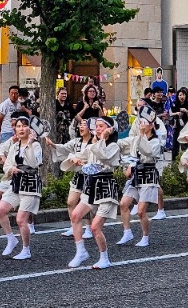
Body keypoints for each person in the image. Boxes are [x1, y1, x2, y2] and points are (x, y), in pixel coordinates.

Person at [62, 115, 121, 269]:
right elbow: (80, 155)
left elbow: (105, 156)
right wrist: (74, 160)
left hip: (106, 190)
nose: (98, 129)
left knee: (95, 227)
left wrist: (100, 139)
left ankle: (104, 257)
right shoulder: (94, 144)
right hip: (91, 188)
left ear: (109, 129)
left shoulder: (113, 146)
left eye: (102, 126)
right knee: (75, 215)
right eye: (97, 126)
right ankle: (80, 251)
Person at [0, 114, 42, 259]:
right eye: (19, 126)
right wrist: (11, 169)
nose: (21, 129)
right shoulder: (14, 146)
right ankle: (11, 238)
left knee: (21, 219)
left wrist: (30, 144)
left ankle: (26, 249)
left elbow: (35, 163)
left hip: (30, 183)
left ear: (30, 129)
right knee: (0, 209)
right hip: (16, 182)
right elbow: (7, 165)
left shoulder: (36, 145)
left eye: (24, 126)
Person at [117, 106, 162, 247]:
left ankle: (145, 236)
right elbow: (124, 147)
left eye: (144, 122)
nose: (141, 125)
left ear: (152, 125)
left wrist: (141, 136)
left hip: (149, 176)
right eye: (140, 122)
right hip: (136, 176)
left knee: (141, 211)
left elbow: (148, 152)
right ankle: (127, 232)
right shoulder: (136, 138)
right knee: (123, 204)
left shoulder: (156, 141)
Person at [47, 118, 94, 238]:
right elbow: (64, 148)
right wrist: (52, 144)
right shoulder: (76, 141)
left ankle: (89, 228)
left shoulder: (94, 143)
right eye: (80, 125)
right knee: (71, 202)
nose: (81, 127)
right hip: (78, 176)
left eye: (84, 125)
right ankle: (74, 226)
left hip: (90, 176)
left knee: (86, 203)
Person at [169, 87, 188, 153]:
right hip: (176, 125)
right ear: (177, 96)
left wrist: (186, 111)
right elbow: (170, 114)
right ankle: (174, 160)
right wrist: (176, 113)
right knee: (175, 142)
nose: (182, 97)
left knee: (185, 142)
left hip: (186, 125)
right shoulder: (175, 104)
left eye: (183, 95)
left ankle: (185, 157)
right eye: (180, 95)